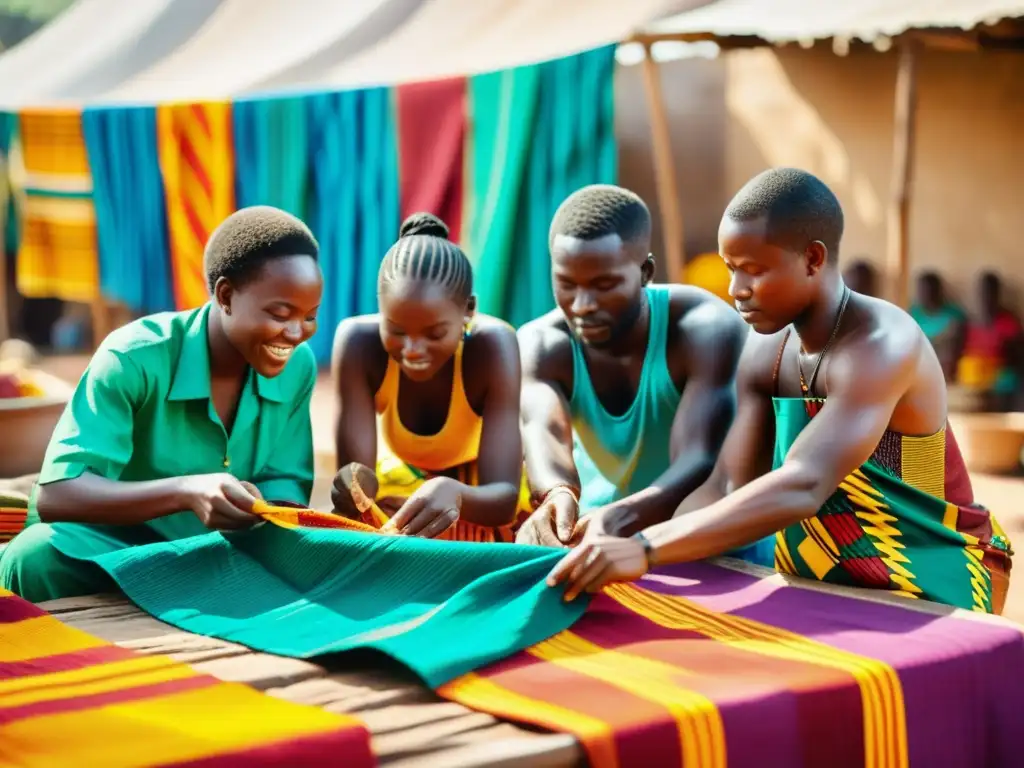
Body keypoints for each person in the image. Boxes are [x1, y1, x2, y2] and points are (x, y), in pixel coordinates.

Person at [548, 168, 1013, 614]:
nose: (736, 290)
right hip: (820, 580)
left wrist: (646, 549)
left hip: (932, 573)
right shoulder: (768, 350)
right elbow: (728, 485)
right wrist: (625, 529)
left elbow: (804, 483)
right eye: (732, 269)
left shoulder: (882, 344)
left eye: (752, 270)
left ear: (812, 259)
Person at [0, 206, 323, 603]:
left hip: (217, 553)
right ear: (225, 296)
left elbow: (285, 482)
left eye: (310, 316)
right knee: (33, 556)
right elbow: (58, 496)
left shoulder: (297, 366)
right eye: (280, 313)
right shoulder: (134, 357)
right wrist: (186, 491)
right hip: (115, 547)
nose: (296, 333)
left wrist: (265, 510)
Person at [514, 184, 762, 561]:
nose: (582, 305)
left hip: (711, 548)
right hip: (593, 541)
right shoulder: (542, 345)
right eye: (566, 284)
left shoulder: (705, 330)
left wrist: (618, 520)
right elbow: (543, 430)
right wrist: (556, 495)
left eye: (604, 285)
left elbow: (698, 461)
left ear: (645, 271)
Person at [329, 213, 527, 542]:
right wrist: (353, 488)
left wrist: (457, 494)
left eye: (434, 334)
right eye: (396, 330)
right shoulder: (359, 344)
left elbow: (503, 499)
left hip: (477, 489)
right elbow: (357, 478)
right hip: (404, 480)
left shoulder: (493, 346)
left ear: (468, 310)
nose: (413, 349)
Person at [959, 271, 1023, 411]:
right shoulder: (968, 323)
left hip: (1001, 377)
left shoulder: (1009, 323)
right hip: (973, 378)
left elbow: (1017, 360)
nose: (986, 297)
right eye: (983, 293)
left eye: (991, 293)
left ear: (997, 295)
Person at [908, 271, 966, 381]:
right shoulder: (913, 314)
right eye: (921, 291)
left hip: (946, 367)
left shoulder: (953, 315)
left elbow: (958, 346)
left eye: (929, 291)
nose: (925, 295)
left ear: (938, 291)